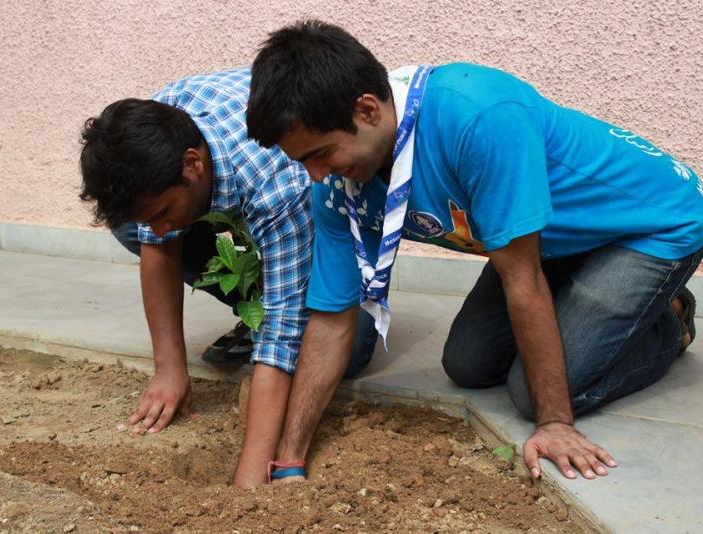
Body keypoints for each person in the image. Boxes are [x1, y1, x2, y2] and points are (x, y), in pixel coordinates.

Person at [246, 20, 703, 482]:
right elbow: (331, 320)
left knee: (531, 395)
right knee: (468, 364)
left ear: (367, 111)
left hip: (650, 226)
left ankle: (667, 320)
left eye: (321, 154)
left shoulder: (477, 116)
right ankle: (608, 305)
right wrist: (290, 460)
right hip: (550, 242)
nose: (317, 176)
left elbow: (521, 278)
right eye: (302, 161)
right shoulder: (337, 188)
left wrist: (555, 424)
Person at [78, 67, 377, 487]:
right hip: (229, 191)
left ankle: (273, 290)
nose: (160, 230)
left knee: (351, 341)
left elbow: (283, 331)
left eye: (163, 213)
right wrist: (169, 368)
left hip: (320, 218)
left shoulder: (275, 179)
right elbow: (158, 242)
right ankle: (253, 298)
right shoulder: (154, 129)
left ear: (192, 164)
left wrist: (249, 481)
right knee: (134, 225)